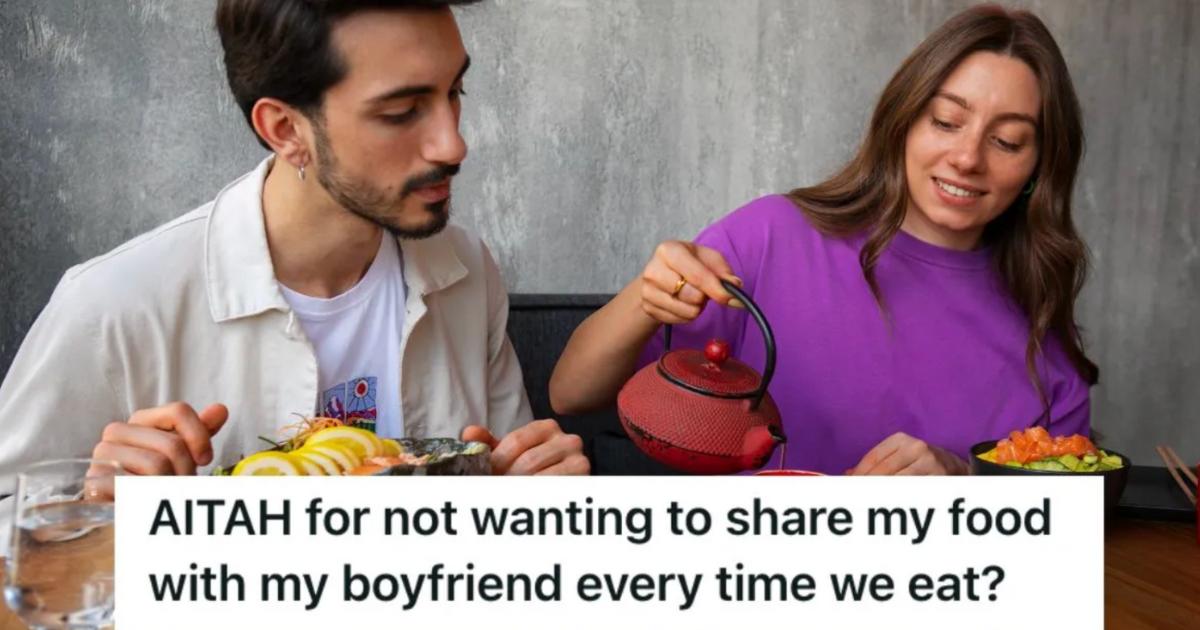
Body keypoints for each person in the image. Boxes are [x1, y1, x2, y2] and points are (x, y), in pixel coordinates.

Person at [0, 0, 590, 523]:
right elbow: (17, 521)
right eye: (402, 112)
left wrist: (536, 497)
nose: (453, 144)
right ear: (285, 129)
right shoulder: (112, 303)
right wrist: (93, 519)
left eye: (454, 92)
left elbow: (504, 503)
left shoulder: (464, 267)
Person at [549, 4, 1099, 477]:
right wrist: (644, 298)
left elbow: (1064, 527)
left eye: (1006, 141)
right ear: (904, 121)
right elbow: (571, 393)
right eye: (946, 121)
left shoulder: (1042, 324)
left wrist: (964, 480)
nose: (967, 157)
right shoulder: (771, 238)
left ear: (1037, 168)